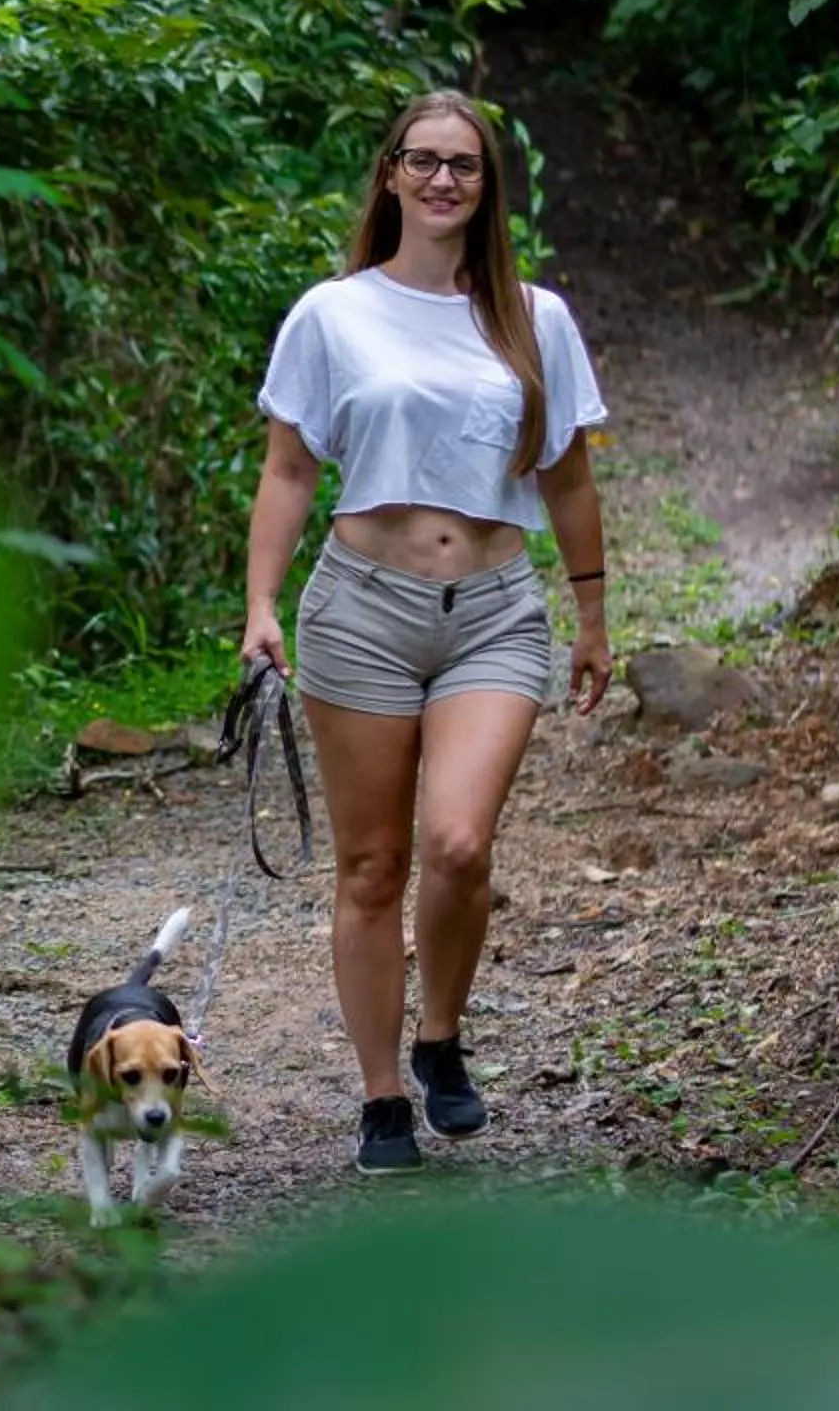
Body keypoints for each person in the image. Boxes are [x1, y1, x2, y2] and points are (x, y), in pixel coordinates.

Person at [240, 88, 612, 1174]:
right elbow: (289, 468)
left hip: (495, 610)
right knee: (371, 864)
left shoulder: (533, 318)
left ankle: (440, 1030)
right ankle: (382, 1095)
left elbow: (571, 475)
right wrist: (260, 605)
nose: (445, 179)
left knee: (458, 844)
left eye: (466, 165)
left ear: (490, 187)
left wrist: (592, 614)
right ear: (391, 174)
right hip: (361, 609)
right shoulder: (332, 313)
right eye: (425, 160)